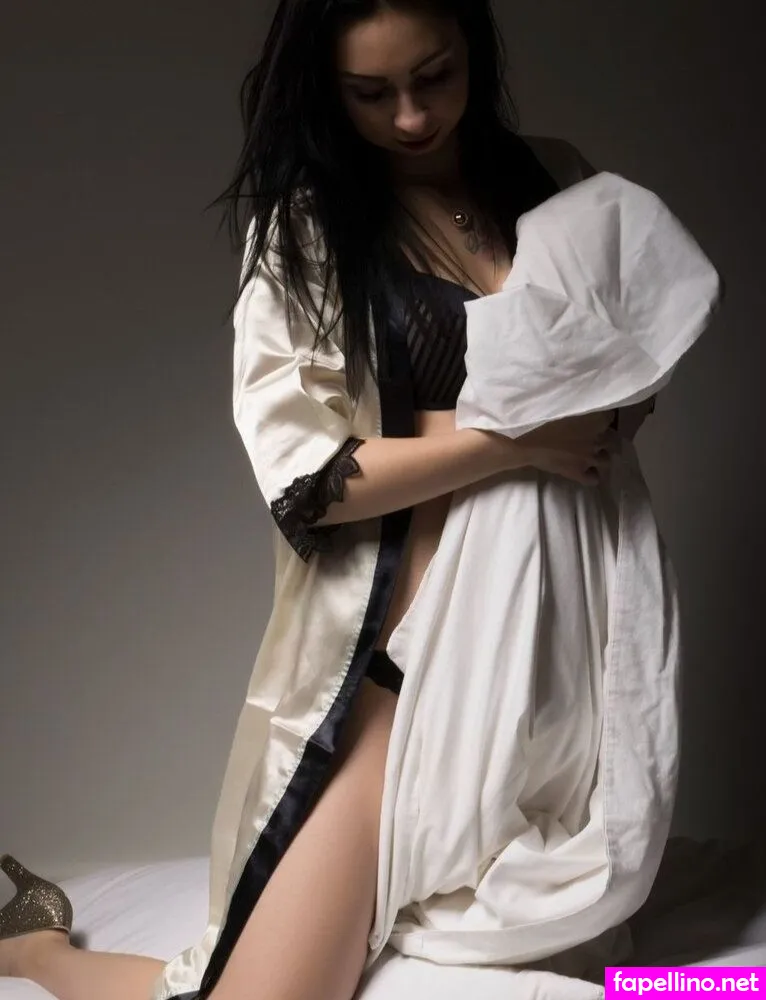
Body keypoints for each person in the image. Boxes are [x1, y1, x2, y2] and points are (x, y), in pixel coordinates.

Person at [0, 1, 656, 999]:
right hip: (406, 671)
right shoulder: (308, 231)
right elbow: (308, 481)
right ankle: (35, 947)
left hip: (557, 660)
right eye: (370, 92)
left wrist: (600, 408)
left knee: (661, 979)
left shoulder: (557, 181)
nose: (409, 116)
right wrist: (513, 441)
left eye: (434, 76)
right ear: (325, 89)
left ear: (473, 47)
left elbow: (628, 377)